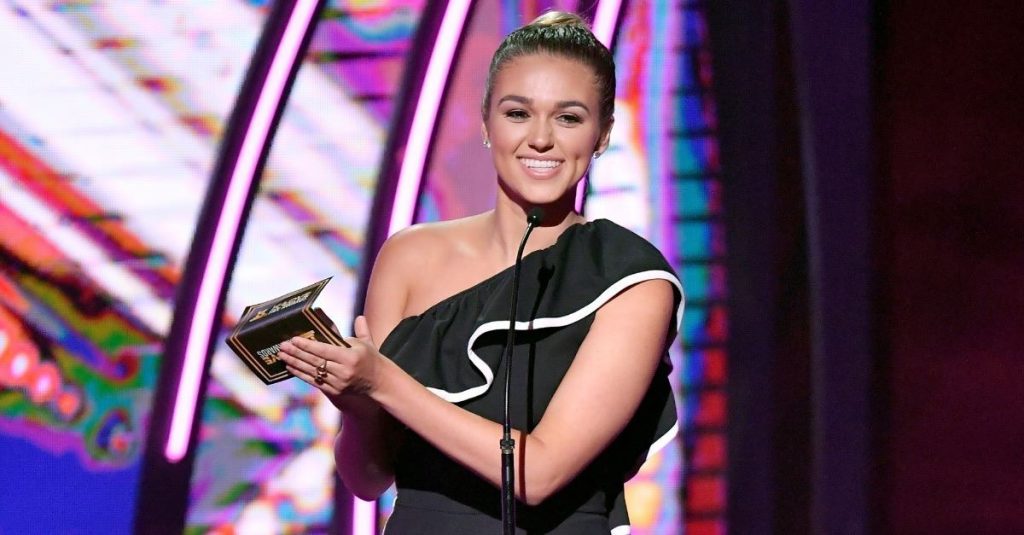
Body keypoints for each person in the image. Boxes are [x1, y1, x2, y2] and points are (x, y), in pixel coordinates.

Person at [278, 11, 683, 534]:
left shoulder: (631, 280)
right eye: (518, 113)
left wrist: (383, 382)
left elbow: (538, 474)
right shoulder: (409, 257)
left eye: (568, 118)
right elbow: (368, 478)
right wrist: (359, 408)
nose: (541, 139)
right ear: (487, 123)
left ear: (602, 134)